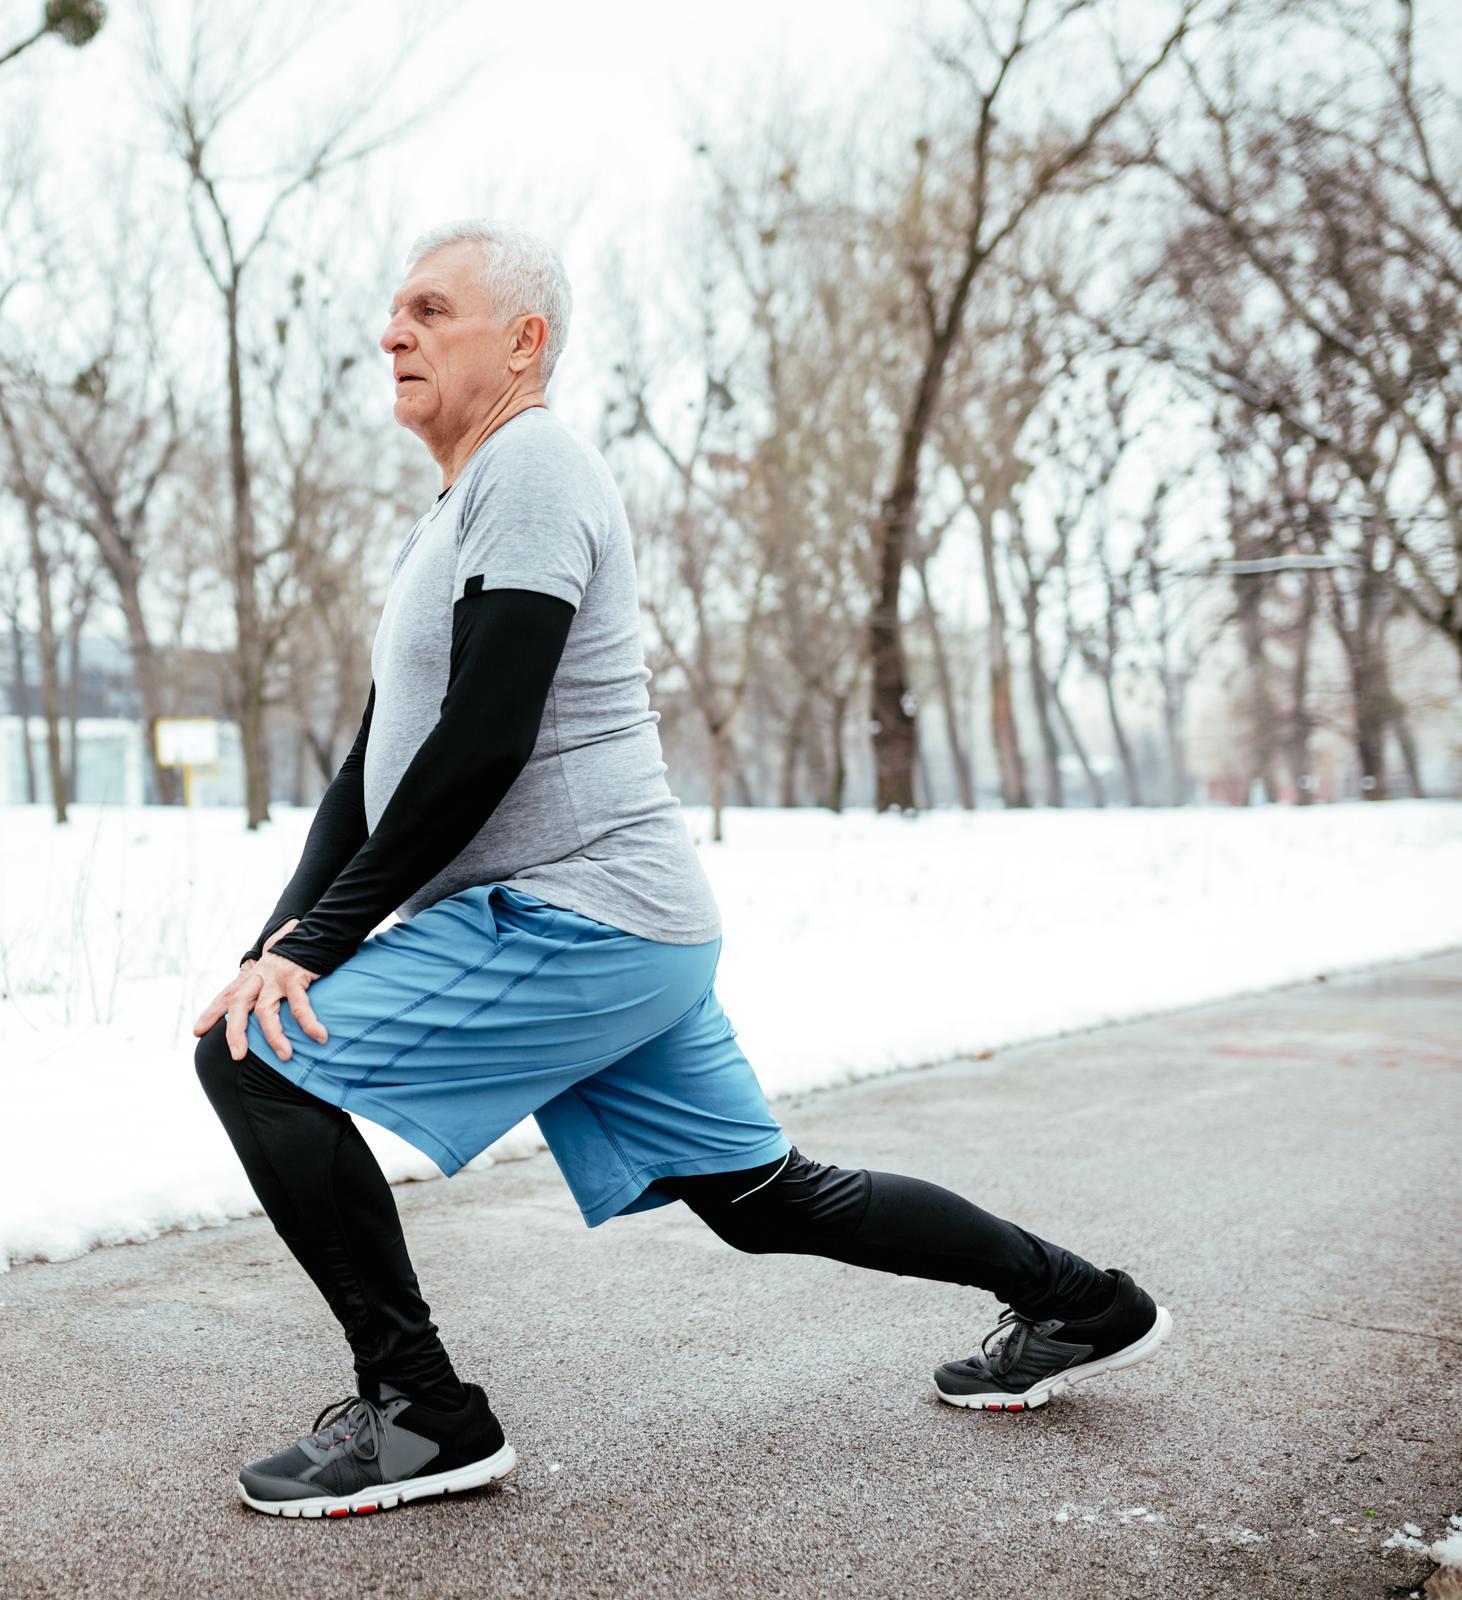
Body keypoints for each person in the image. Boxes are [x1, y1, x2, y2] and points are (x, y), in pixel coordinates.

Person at [190, 220, 1171, 1522]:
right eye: (393, 313)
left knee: (255, 1063)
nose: (393, 333)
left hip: (575, 917)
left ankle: (424, 1413)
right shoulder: (459, 511)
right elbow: (373, 773)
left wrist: (314, 952)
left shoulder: (533, 467)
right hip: (628, 929)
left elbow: (485, 741)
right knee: (767, 1200)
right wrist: (281, 942)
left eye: (431, 309)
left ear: (524, 340)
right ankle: (1082, 1298)